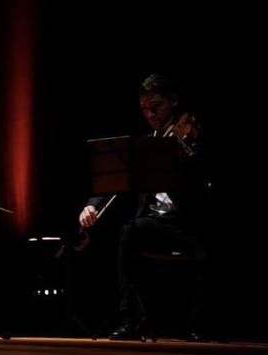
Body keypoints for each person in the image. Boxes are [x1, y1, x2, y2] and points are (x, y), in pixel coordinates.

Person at [78, 73, 208, 340]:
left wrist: (181, 155)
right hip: (153, 221)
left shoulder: (190, 135)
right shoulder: (145, 145)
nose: (149, 114)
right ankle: (129, 319)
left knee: (133, 233)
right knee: (124, 233)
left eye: (156, 106)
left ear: (173, 101)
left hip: (189, 221)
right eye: (144, 109)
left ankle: (181, 322)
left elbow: (202, 181)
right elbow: (113, 181)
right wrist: (91, 206)